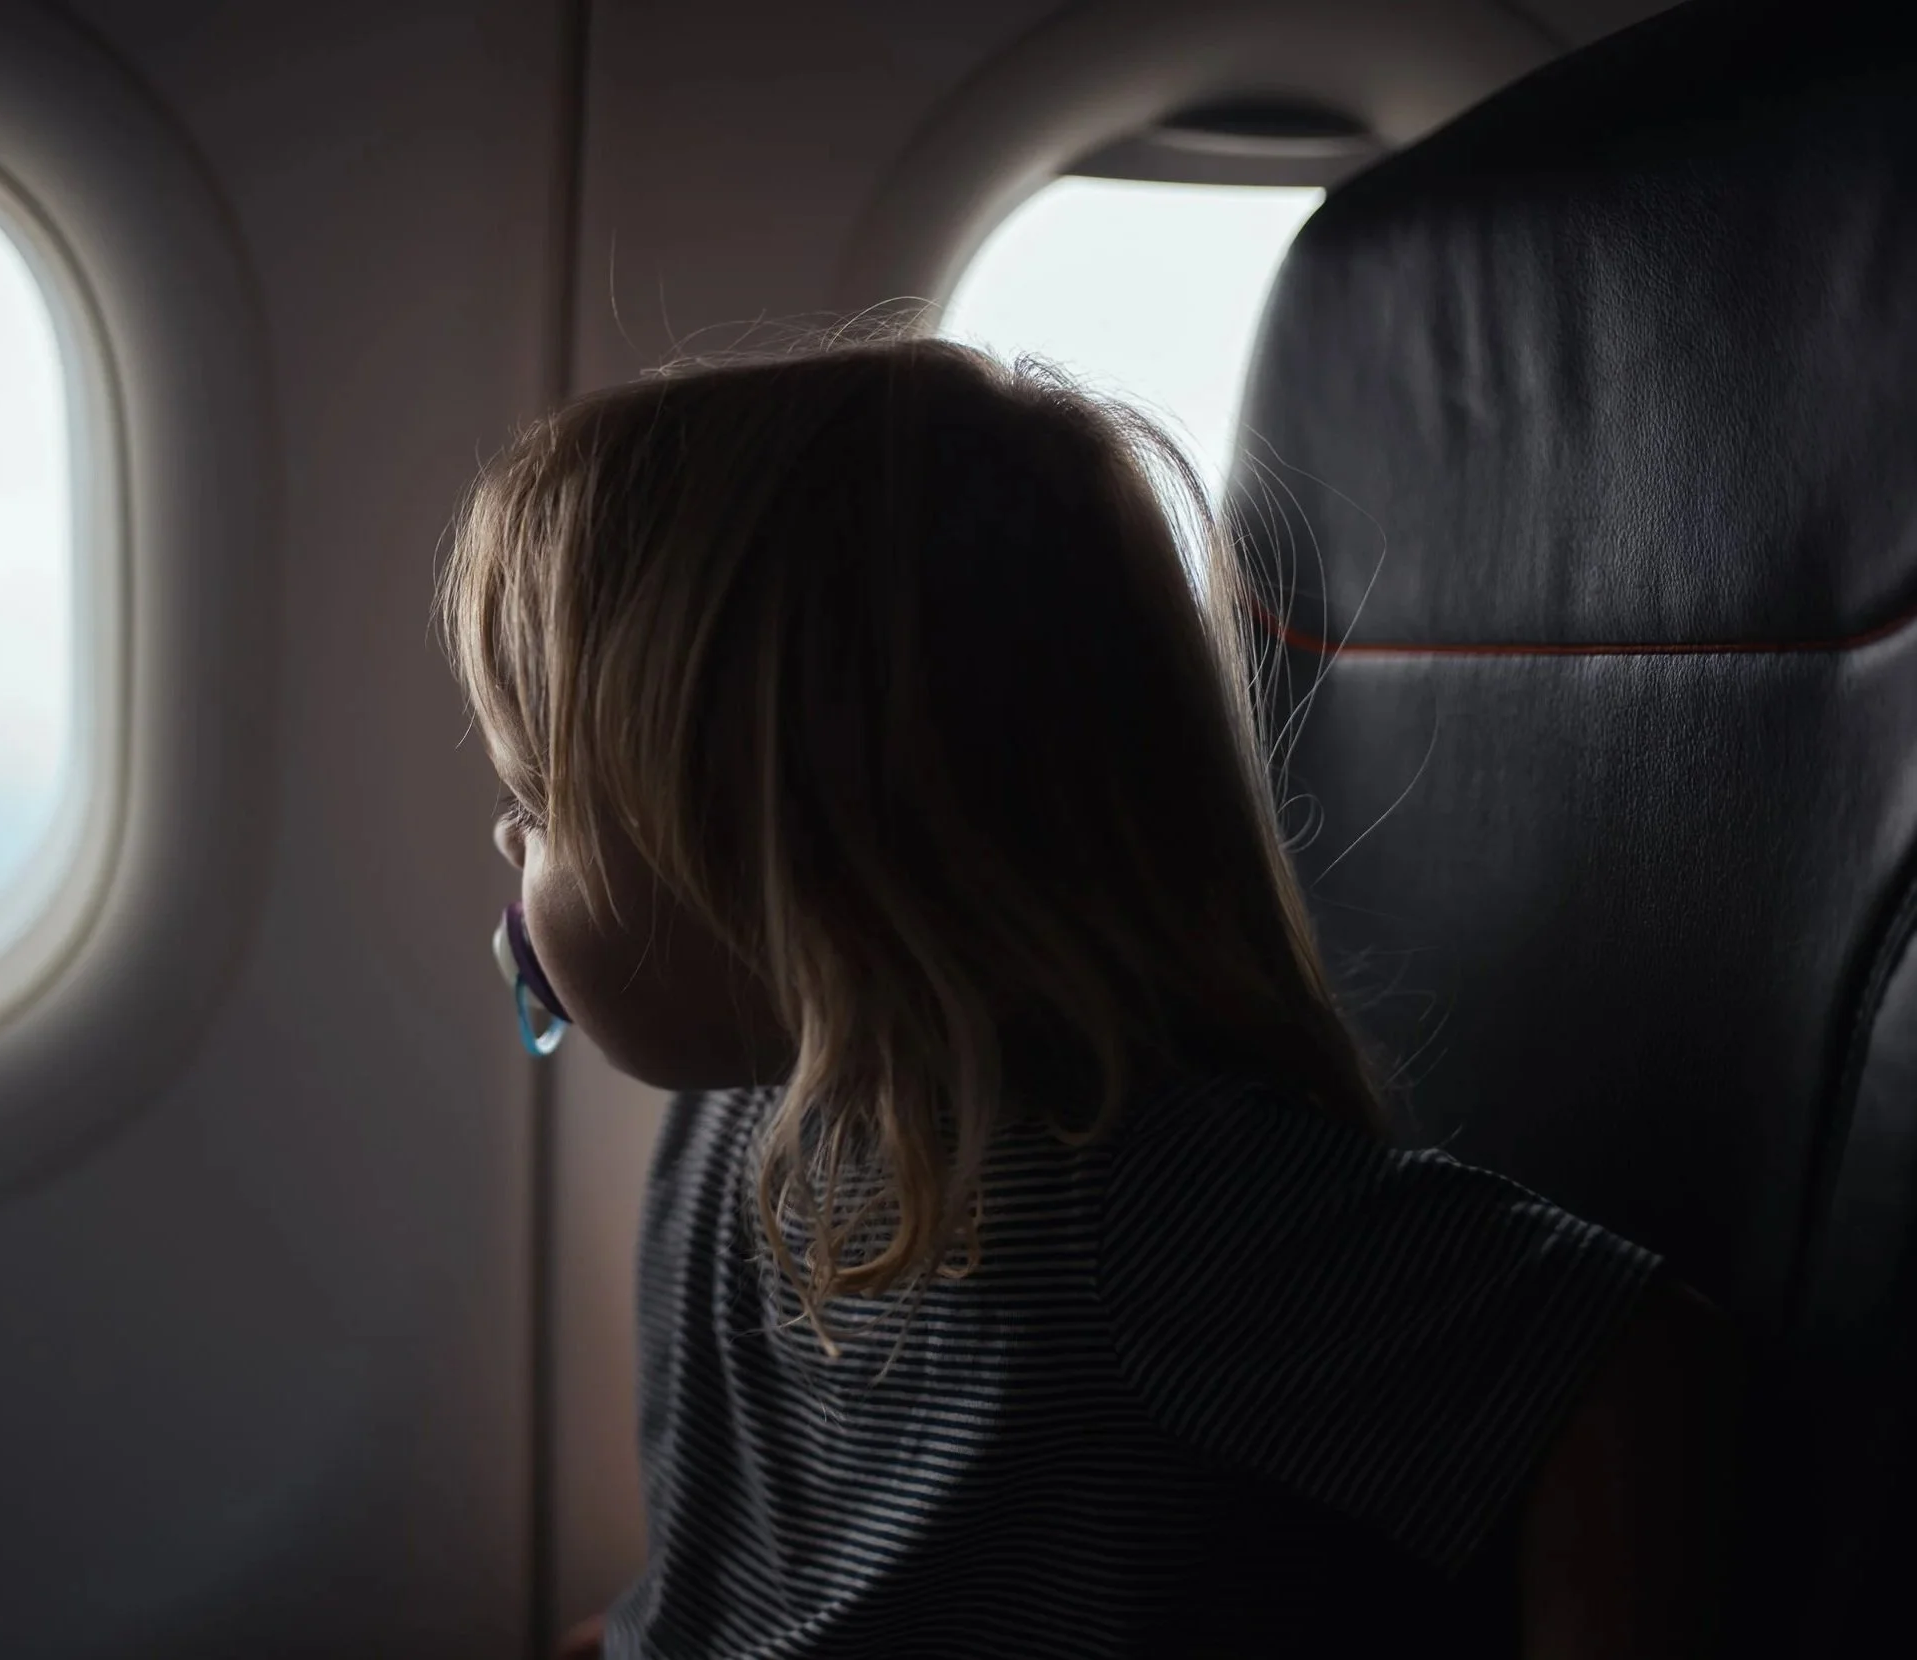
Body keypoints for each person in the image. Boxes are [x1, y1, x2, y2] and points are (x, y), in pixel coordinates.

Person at [437, 338, 1739, 1658]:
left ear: (777, 848)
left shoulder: (1127, 1198)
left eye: (538, 797)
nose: (505, 844)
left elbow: (1617, 1364)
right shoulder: (732, 1123)